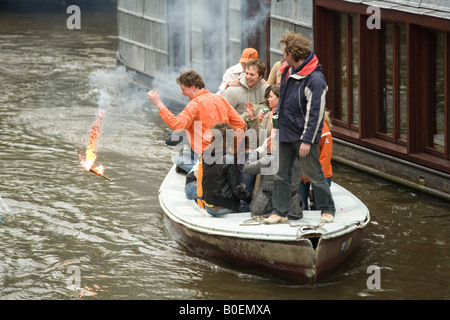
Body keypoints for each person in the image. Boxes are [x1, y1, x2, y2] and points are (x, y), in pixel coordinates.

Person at [265, 31, 336, 224]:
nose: (282, 56)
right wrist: (276, 120)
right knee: (280, 174)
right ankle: (280, 211)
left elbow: (316, 114)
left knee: (314, 174)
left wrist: (306, 140)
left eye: (284, 52)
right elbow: (283, 99)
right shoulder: (287, 70)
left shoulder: (316, 80)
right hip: (285, 132)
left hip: (303, 136)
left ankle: (327, 209)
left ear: (292, 53)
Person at [147, 70, 246, 173]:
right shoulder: (220, 99)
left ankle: (203, 171)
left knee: (179, 159)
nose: (182, 93)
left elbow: (177, 125)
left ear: (193, 87)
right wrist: (235, 150)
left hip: (206, 155)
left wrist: (158, 103)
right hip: (224, 153)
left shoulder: (195, 104)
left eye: (183, 89)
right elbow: (241, 124)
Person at [243, 137, 304, 220]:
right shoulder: (301, 160)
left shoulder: (269, 159)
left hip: (264, 209)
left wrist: (260, 150)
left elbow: (247, 168)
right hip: (293, 209)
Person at [200, 123, 252, 216]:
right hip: (221, 208)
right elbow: (236, 188)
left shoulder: (207, 153)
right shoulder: (229, 158)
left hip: (208, 205)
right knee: (259, 208)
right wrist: (251, 199)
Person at [298, 111, 333, 210]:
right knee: (300, 205)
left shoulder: (323, 130)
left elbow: (325, 156)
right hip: (303, 173)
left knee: (320, 207)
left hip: (318, 173)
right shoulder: (299, 126)